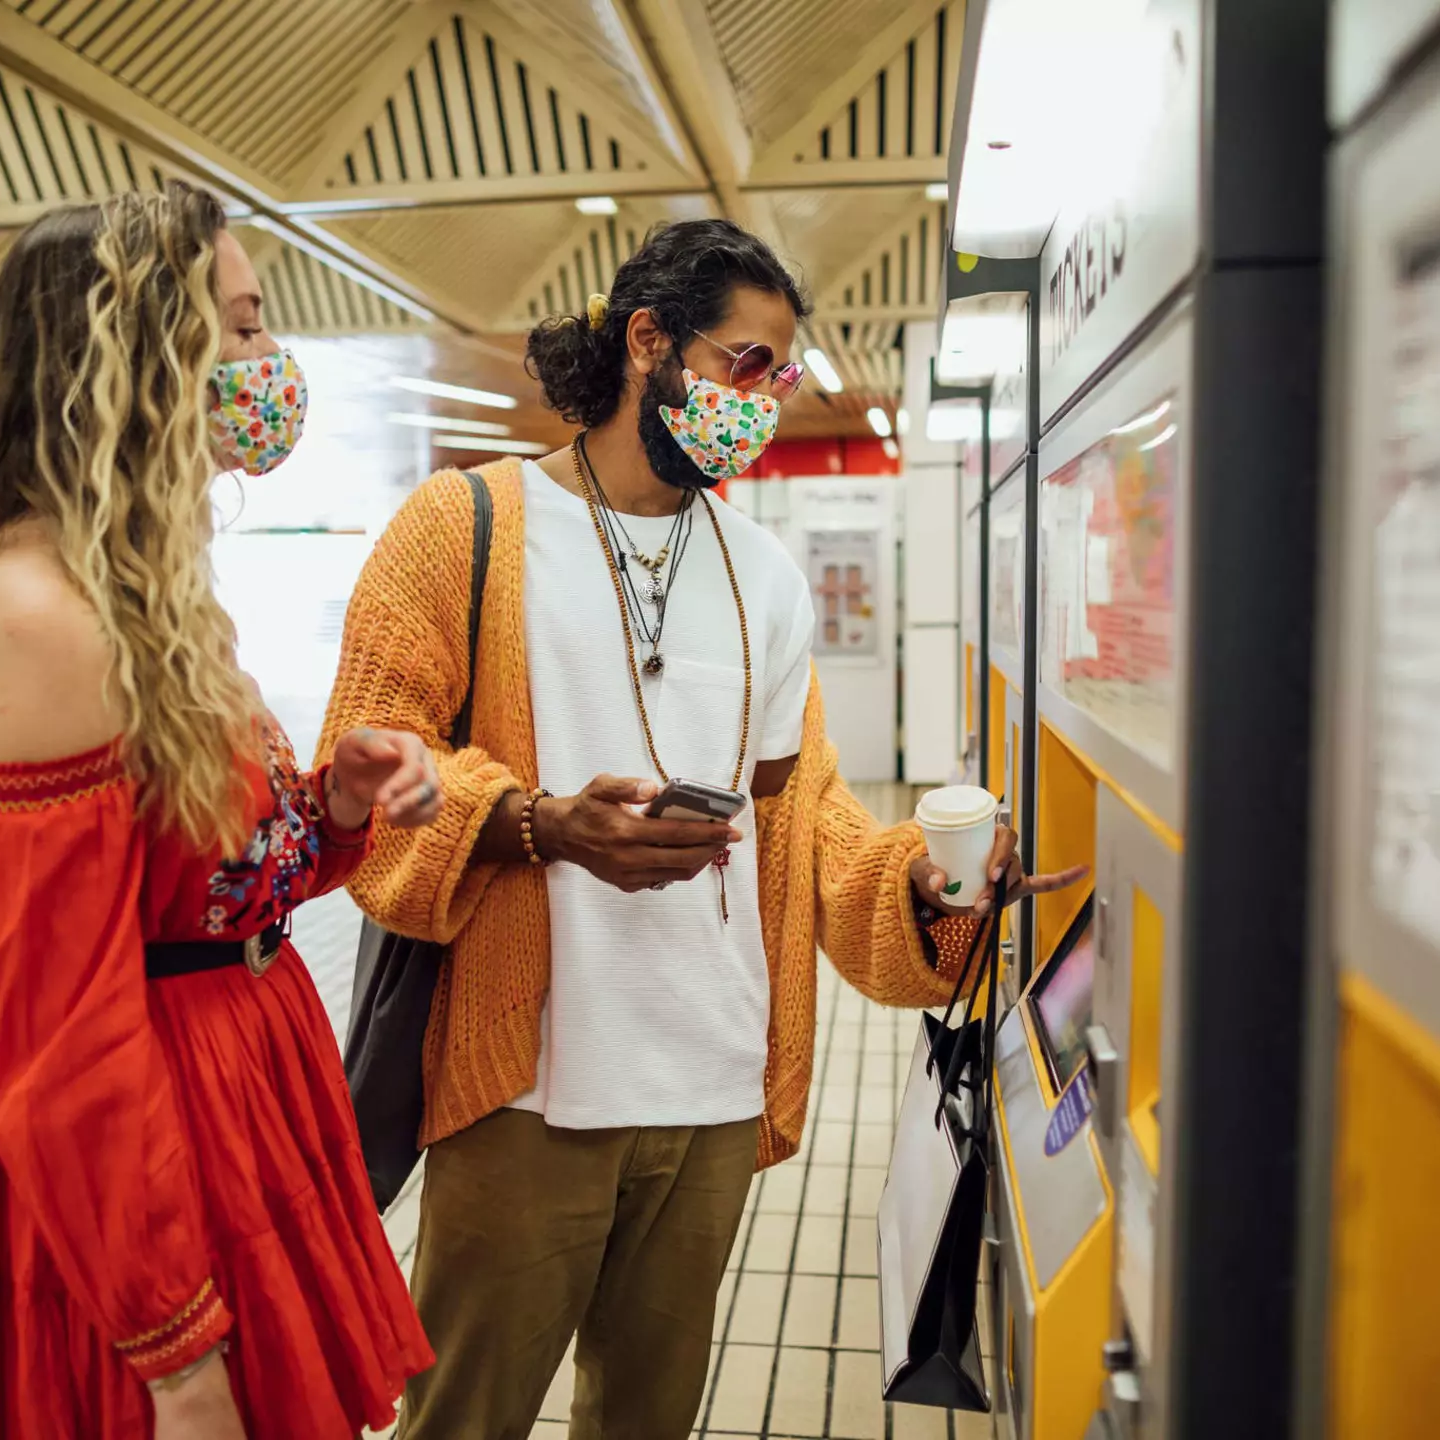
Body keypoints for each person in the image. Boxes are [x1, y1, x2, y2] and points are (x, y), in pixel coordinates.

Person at [319, 217, 1085, 1438]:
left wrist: (927, 887)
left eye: (778, 377)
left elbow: (806, 821)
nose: (762, 401)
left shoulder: (763, 578)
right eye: (743, 363)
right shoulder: (462, 528)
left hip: (713, 1085)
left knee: (647, 1420)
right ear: (645, 343)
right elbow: (366, 767)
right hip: (527, 1092)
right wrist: (532, 824)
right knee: (465, 1417)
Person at [0, 184, 435, 1438]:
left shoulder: (142, 590)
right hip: (147, 1172)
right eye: (239, 329)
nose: (267, 362)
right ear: (131, 355)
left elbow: (211, 887)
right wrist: (175, 1354)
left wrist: (337, 804)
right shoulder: (37, 616)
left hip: (233, 1106)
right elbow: (61, 1036)